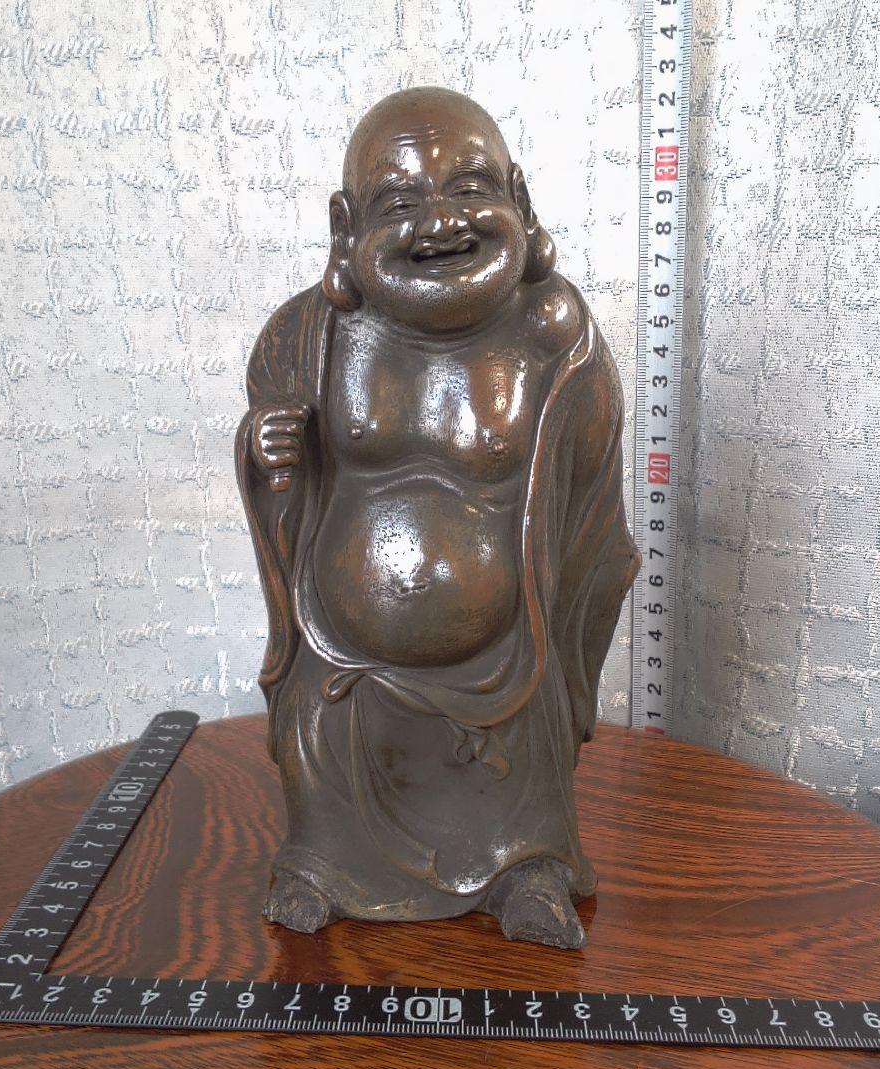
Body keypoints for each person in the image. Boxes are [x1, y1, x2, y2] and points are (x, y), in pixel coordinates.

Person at [235, 87, 640, 948]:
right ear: (346, 226)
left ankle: (524, 871)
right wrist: (269, 455)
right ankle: (323, 866)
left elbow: (590, 494)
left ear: (519, 199)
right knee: (326, 740)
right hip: (345, 654)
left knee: (520, 761)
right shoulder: (310, 334)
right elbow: (282, 475)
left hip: (505, 656)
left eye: (470, 189)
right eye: (399, 203)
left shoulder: (551, 334)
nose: (441, 222)